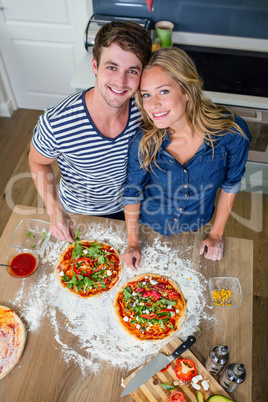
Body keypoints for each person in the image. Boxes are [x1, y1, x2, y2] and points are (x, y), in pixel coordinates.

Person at [122, 47, 251, 270]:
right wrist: (133, 241)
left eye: (163, 91)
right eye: (146, 95)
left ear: (187, 91)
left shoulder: (232, 135)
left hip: (198, 228)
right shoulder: (144, 141)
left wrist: (216, 235)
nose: (152, 105)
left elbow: (231, 184)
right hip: (149, 228)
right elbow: (133, 191)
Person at [28, 21, 152, 243]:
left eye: (132, 71)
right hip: (78, 214)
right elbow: (38, 162)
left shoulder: (147, 112)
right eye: (111, 67)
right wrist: (54, 210)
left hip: (134, 209)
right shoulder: (57, 122)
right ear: (95, 66)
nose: (121, 82)